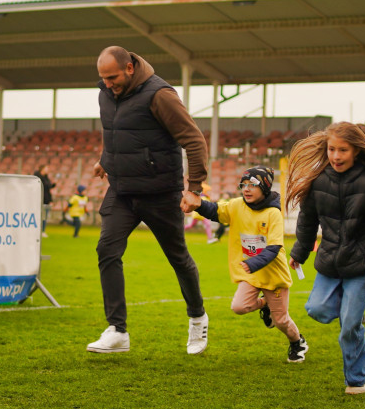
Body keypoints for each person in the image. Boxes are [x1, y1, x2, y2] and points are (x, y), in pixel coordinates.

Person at [86, 46, 209, 355]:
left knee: (178, 258)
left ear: (129, 68)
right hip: (122, 190)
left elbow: (194, 140)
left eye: (112, 77)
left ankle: (197, 318)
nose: (107, 84)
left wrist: (194, 189)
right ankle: (118, 330)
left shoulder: (160, 95)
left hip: (160, 192)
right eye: (102, 78)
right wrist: (105, 159)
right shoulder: (105, 92)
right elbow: (114, 131)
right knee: (106, 249)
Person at [285, 122, 365, 395]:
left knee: (349, 327)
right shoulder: (319, 182)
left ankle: (359, 378)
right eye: (332, 149)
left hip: (360, 266)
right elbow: (308, 220)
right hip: (330, 263)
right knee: (316, 310)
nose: (336, 155)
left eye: (343, 150)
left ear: (356, 151)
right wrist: (299, 251)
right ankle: (349, 311)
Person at [183, 167, 308, 363]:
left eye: (253, 185)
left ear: (265, 187)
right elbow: (215, 211)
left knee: (281, 321)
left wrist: (253, 262)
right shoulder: (236, 205)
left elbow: (274, 247)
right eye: (244, 185)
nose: (247, 189)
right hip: (251, 273)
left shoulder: (273, 213)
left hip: (273, 276)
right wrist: (198, 204)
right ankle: (264, 304)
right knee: (239, 306)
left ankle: (297, 342)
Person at [34, 164, 55, 237]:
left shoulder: (46, 178)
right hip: (39, 199)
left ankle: (42, 231)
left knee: (44, 216)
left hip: (46, 200)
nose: (47, 170)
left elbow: (48, 188)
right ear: (42, 169)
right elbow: (46, 186)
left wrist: (50, 200)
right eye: (46, 168)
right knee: (39, 216)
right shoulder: (37, 178)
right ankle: (38, 231)